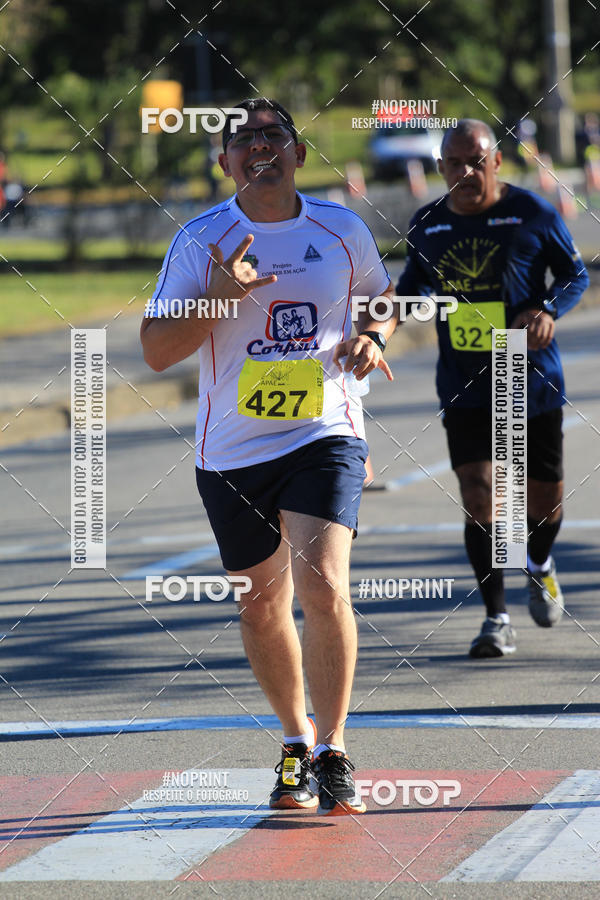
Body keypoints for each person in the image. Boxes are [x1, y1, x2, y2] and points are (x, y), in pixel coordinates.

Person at [141, 98, 397, 814]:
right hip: (231, 450)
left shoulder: (341, 229)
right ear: (224, 161)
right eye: (244, 138)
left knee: (323, 586)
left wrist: (373, 337)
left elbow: (381, 299)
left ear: (298, 154)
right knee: (262, 607)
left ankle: (334, 747)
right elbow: (157, 351)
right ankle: (294, 740)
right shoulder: (201, 242)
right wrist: (218, 298)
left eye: (274, 135)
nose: (260, 146)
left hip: (325, 432)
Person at [395, 118, 589, 659]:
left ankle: (540, 562)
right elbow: (411, 292)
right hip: (465, 381)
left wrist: (548, 309)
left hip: (528, 375)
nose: (466, 172)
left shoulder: (531, 213)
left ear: (497, 161)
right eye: (454, 163)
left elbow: (576, 276)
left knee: (543, 500)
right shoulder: (428, 224)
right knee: (482, 495)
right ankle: (496, 618)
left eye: (476, 161)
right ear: (440, 168)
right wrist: (382, 317)